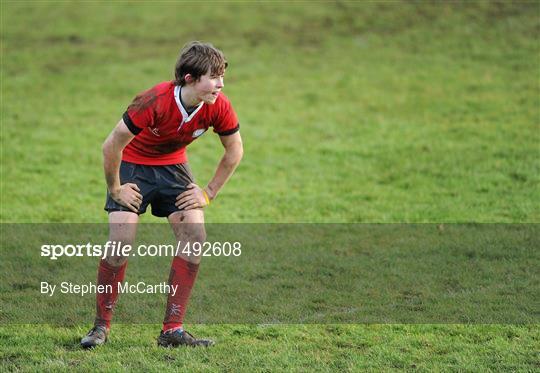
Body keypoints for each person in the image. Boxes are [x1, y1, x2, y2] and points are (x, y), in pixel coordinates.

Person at [80, 41, 243, 348]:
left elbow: (235, 150)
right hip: (133, 166)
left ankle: (172, 330)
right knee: (121, 240)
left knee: (195, 235)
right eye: (214, 76)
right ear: (190, 79)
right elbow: (111, 145)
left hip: (174, 168)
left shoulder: (217, 105)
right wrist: (115, 188)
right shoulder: (153, 100)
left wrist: (208, 192)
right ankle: (100, 328)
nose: (220, 84)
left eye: (222, 76)